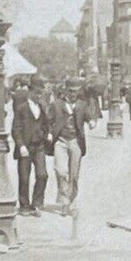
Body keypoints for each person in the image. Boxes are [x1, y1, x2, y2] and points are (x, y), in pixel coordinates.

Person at [9, 77, 51, 217]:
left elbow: (46, 124)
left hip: (39, 146)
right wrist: (20, 145)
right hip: (25, 147)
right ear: (30, 91)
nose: (39, 96)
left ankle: (37, 203)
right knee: (24, 178)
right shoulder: (22, 108)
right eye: (37, 93)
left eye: (41, 93)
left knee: (42, 175)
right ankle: (24, 206)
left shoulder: (43, 107)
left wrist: (47, 134)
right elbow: (16, 129)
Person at [49, 77, 88, 213]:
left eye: (76, 91)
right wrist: (49, 132)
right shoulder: (57, 104)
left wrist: (92, 121)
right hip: (61, 141)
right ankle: (64, 200)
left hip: (75, 141)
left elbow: (88, 116)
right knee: (60, 171)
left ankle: (71, 201)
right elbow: (48, 121)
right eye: (70, 91)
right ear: (66, 90)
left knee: (74, 174)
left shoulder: (82, 104)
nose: (73, 94)